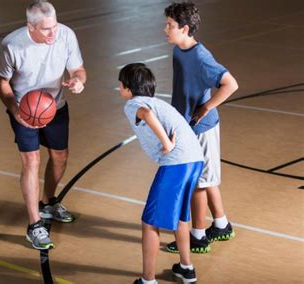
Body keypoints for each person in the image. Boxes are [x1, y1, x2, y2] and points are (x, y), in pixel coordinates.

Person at [0, 0, 86, 250]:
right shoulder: (12, 45)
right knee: (31, 160)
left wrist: (78, 80)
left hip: (55, 106)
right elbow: (1, 80)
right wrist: (14, 108)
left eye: (54, 26)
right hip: (25, 109)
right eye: (46, 29)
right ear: (30, 27)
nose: (53, 33)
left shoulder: (66, 35)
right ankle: (34, 224)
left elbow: (78, 69)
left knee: (60, 157)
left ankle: (48, 202)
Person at [163, 2, 239, 254]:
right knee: (205, 180)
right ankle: (221, 224)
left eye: (170, 26)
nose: (165, 29)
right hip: (188, 126)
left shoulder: (200, 57)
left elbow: (230, 84)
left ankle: (197, 236)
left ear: (184, 29)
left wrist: (205, 108)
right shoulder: (179, 51)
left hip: (202, 128)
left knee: (197, 183)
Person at [119, 63, 204, 284]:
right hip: (195, 159)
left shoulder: (134, 104)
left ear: (127, 88)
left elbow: (145, 114)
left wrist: (166, 144)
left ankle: (148, 280)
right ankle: (187, 268)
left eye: (120, 84)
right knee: (181, 218)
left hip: (176, 162)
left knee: (149, 222)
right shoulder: (158, 102)